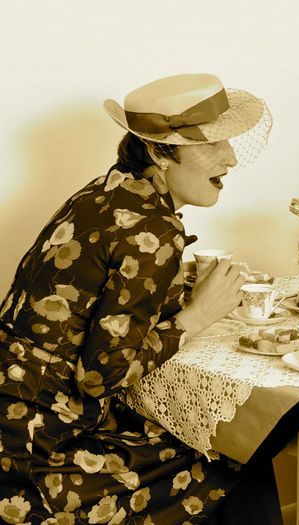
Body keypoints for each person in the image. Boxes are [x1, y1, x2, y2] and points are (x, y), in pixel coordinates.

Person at [0, 73, 284, 524]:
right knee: (233, 454)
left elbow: (92, 301)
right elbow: (99, 377)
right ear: (157, 151)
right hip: (39, 458)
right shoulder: (152, 227)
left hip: (15, 423)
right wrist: (196, 315)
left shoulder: (104, 190)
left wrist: (175, 286)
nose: (230, 157)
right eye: (211, 143)